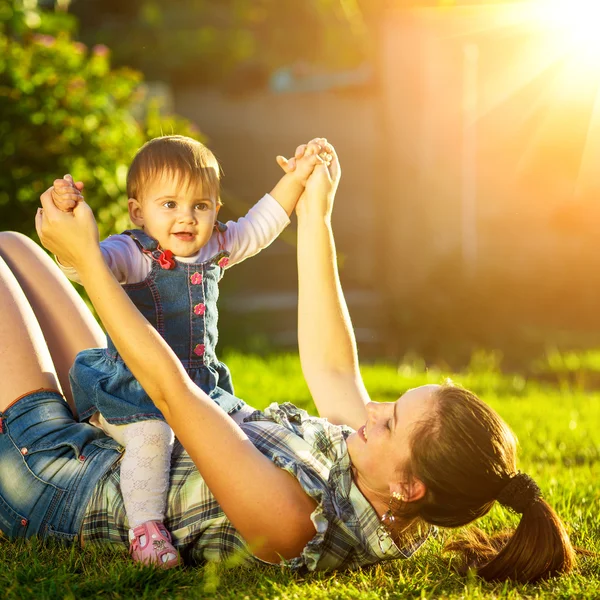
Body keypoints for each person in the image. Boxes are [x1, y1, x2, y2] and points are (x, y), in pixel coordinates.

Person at [0, 142, 575, 582]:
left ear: (409, 486)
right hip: (119, 423)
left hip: (63, 481)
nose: (371, 410)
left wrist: (91, 265)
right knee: (15, 245)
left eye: (390, 421)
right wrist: (315, 214)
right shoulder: (381, 488)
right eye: (393, 404)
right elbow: (332, 371)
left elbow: (175, 391)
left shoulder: (293, 524)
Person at [46, 135, 331, 567]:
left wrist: (296, 178)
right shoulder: (134, 253)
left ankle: (293, 476)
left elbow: (262, 224)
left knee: (242, 427)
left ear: (216, 209)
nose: (187, 217)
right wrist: (68, 225)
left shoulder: (215, 246)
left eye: (200, 205)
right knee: (152, 438)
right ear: (138, 212)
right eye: (170, 205)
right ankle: (145, 529)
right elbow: (87, 266)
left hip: (200, 389)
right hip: (136, 391)